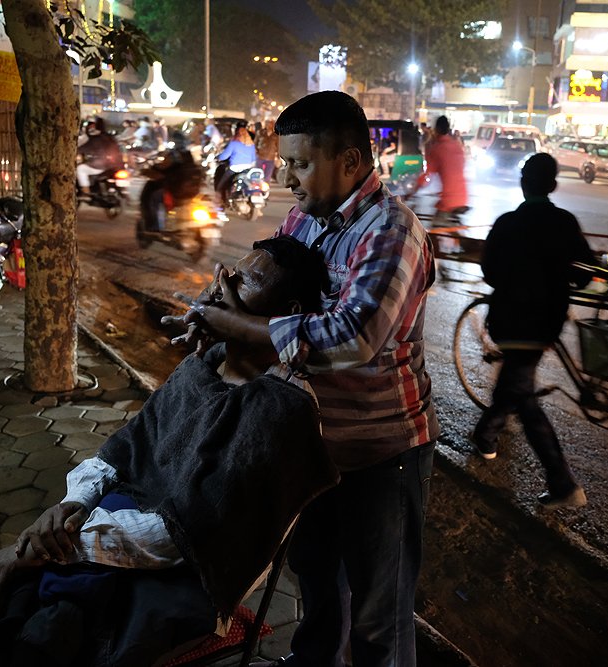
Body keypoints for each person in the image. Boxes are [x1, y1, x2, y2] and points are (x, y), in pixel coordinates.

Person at [0, 237, 339, 665]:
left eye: (245, 281)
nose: (221, 284)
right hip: (108, 530)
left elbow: (184, 535)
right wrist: (72, 503)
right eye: (228, 273)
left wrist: (50, 546)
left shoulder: (281, 408)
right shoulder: (203, 363)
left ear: (288, 314)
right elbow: (124, 448)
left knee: (41, 638)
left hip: (185, 575)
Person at [182, 90, 438, 667]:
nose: (286, 177)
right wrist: (215, 315)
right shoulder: (304, 219)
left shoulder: (391, 231)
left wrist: (240, 326)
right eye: (284, 162)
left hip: (381, 452)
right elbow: (271, 288)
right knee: (318, 583)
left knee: (379, 616)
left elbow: (354, 337)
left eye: (299, 163)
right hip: (312, 444)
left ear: (349, 161)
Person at [470, 153, 595, 509]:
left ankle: (563, 483)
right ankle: (485, 436)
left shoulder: (507, 223)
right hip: (546, 323)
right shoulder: (565, 222)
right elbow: (585, 274)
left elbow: (490, 272)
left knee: (522, 394)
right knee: (515, 382)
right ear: (553, 185)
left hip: (511, 321)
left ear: (523, 183)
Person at [417, 115, 468, 225]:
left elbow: (427, 174)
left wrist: (413, 191)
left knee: (436, 227)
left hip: (449, 199)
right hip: (463, 195)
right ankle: (456, 233)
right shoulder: (457, 145)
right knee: (447, 226)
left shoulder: (437, 148)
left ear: (436, 129)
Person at [75, 117, 122, 196]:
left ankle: (86, 192)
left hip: (99, 165)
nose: (90, 127)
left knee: (80, 169)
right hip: (111, 165)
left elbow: (83, 148)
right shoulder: (108, 137)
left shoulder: (94, 138)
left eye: (92, 125)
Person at [214, 121, 257, 203]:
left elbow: (224, 156)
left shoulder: (234, 143)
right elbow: (253, 159)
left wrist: (218, 157)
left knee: (221, 185)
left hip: (235, 169)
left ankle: (218, 203)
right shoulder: (251, 144)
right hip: (248, 169)